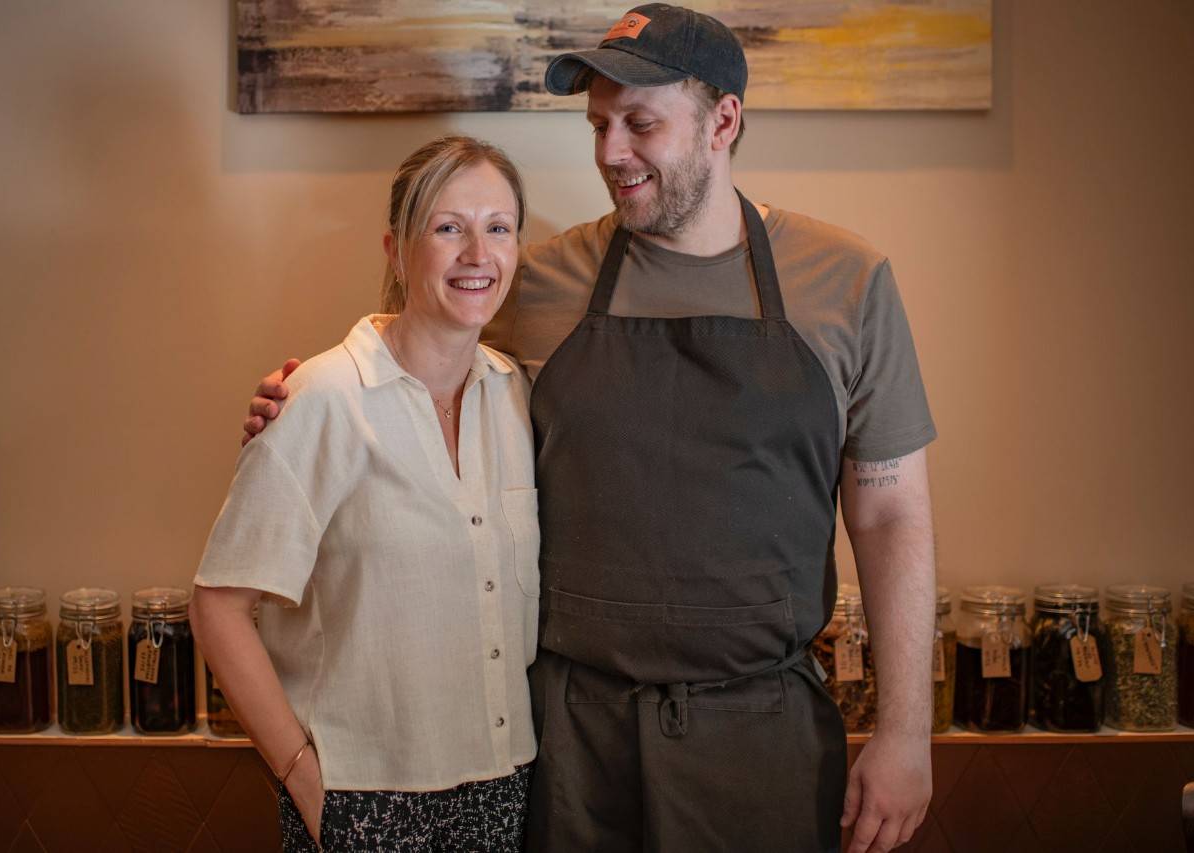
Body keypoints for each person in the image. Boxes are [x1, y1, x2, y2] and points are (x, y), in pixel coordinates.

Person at [245, 5, 936, 852]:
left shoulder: (846, 280)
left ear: (723, 121)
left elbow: (890, 513)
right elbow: (407, 372)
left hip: (763, 734)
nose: (611, 153)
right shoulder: (539, 280)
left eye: (640, 124)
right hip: (572, 742)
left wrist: (907, 732)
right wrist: (301, 394)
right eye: (599, 125)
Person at [192, 135, 542, 852]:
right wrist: (304, 780)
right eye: (449, 227)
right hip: (365, 802)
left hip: (506, 789)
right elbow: (218, 605)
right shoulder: (320, 397)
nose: (478, 253)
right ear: (397, 248)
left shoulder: (518, 396)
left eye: (498, 227)